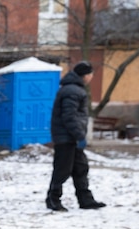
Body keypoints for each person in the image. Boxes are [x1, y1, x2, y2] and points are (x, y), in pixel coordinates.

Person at [46, 60, 106, 211]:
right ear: (85, 75)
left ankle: (85, 200)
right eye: (91, 74)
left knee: (80, 168)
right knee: (62, 169)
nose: (92, 77)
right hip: (66, 138)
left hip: (71, 137)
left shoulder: (74, 89)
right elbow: (69, 116)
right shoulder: (72, 90)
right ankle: (53, 199)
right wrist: (79, 136)